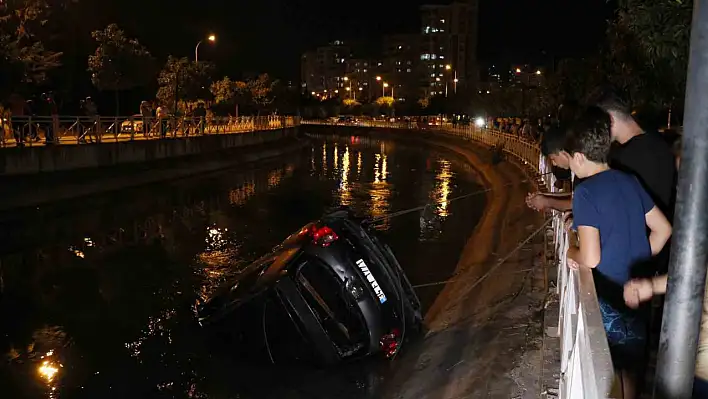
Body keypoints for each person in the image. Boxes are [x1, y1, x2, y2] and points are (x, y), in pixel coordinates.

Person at [564, 106, 672, 399]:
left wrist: (571, 253)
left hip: (608, 297)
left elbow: (591, 257)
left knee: (607, 375)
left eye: (569, 161)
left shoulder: (585, 193)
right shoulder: (629, 180)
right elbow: (663, 230)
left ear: (578, 157)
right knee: (631, 373)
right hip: (636, 294)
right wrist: (635, 253)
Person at [525, 125, 573, 212]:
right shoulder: (575, 171)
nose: (554, 164)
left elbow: (579, 203)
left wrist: (547, 201)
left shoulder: (586, 171)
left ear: (563, 152)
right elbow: (575, 196)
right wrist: (544, 196)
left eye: (553, 159)